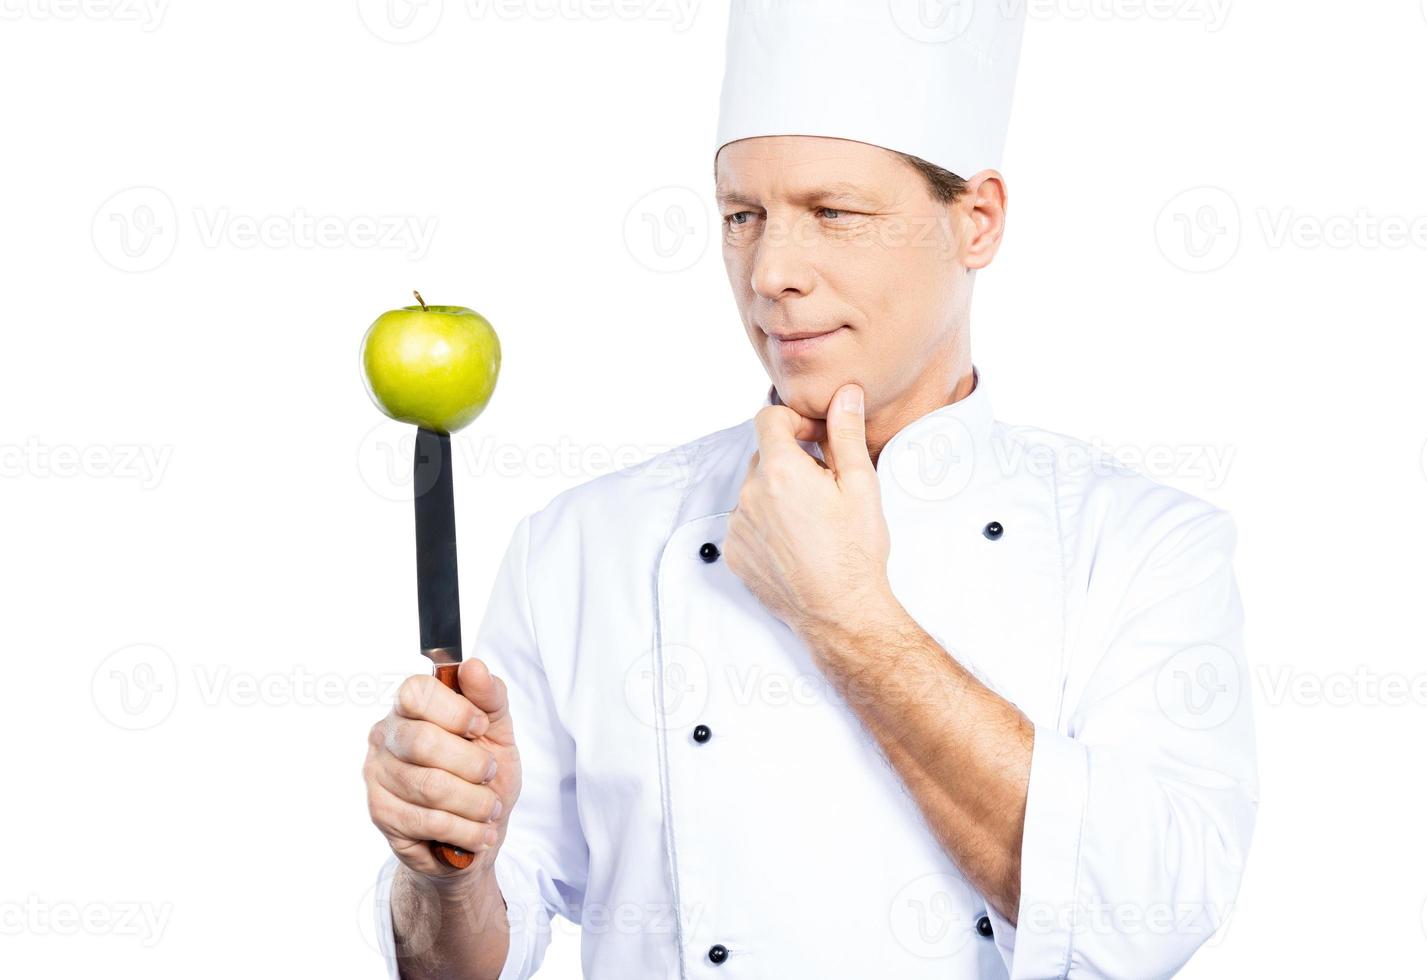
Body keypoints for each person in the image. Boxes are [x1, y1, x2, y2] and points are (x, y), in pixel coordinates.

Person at [363, 1, 1258, 976]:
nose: (771, 272)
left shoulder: (1140, 547)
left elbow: (1147, 918)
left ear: (977, 220)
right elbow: (462, 958)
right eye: (741, 216)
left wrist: (844, 614)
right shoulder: (582, 544)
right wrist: (445, 874)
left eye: (833, 212)